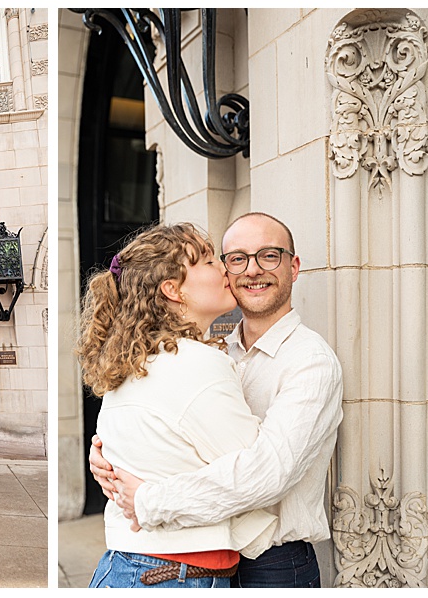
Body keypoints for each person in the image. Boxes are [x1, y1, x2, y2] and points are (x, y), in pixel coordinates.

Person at [90, 213, 344, 588]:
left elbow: (268, 472)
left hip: (271, 563)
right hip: (199, 558)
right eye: (236, 259)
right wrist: (109, 460)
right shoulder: (209, 352)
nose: (252, 270)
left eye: (269, 256)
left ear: (294, 266)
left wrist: (147, 499)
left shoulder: (311, 361)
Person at [76, 223, 277, 588]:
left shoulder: (137, 360)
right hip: (169, 575)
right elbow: (257, 470)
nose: (224, 268)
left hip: (136, 568)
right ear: (173, 289)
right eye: (207, 260)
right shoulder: (194, 363)